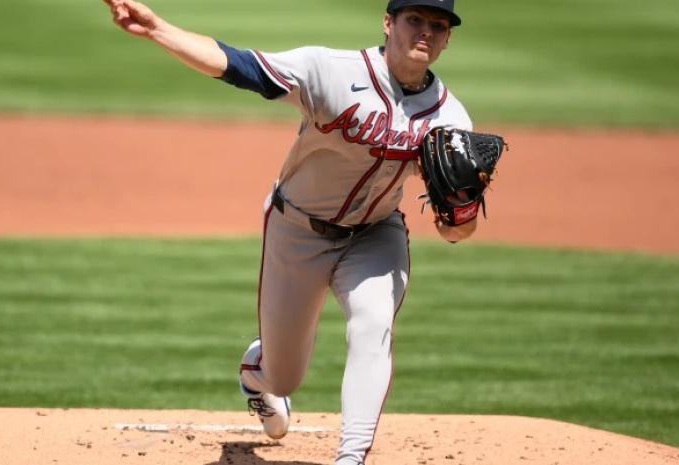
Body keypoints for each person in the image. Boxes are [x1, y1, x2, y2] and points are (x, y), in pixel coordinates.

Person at [103, 1, 476, 463]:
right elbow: (239, 66)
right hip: (296, 231)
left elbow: (457, 232)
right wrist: (159, 30)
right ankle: (256, 371)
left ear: (447, 38)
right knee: (284, 378)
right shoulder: (331, 71)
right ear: (388, 23)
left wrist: (459, 215)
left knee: (373, 323)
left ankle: (351, 457)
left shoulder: (451, 119)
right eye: (414, 20)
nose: (425, 32)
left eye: (437, 25)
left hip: (376, 237)